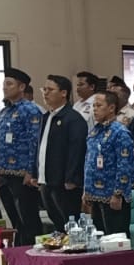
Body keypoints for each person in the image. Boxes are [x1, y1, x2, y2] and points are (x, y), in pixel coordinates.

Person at [0, 68, 46, 238]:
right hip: (5, 173)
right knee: (15, 219)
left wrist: (31, 172)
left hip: (22, 173)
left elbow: (34, 142)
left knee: (28, 218)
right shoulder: (4, 111)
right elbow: (1, 142)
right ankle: (19, 249)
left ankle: (32, 250)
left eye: (9, 84)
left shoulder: (30, 110)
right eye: (4, 84)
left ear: (22, 87)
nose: (5, 87)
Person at [34, 74, 88, 230]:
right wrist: (36, 173)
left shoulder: (73, 118)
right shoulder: (46, 117)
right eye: (44, 89)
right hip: (46, 179)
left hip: (64, 182)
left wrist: (71, 177)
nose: (45, 93)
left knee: (69, 220)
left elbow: (77, 150)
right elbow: (41, 147)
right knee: (56, 220)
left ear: (64, 93)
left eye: (50, 90)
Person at [82, 90, 134, 236]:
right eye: (93, 106)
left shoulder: (120, 132)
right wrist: (86, 191)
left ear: (111, 107)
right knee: (98, 239)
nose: (95, 109)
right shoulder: (94, 132)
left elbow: (125, 165)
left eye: (99, 105)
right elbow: (88, 162)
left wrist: (118, 193)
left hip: (112, 195)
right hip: (94, 194)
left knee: (115, 240)